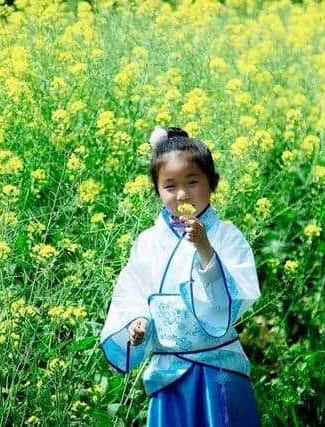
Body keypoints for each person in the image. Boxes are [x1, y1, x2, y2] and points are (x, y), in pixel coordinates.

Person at [99, 125, 262, 426]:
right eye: (170, 186)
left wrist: (204, 247)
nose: (182, 194)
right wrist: (138, 321)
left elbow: (235, 297)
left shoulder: (227, 236)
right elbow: (132, 290)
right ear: (157, 191)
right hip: (168, 370)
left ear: (212, 184)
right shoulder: (148, 241)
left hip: (218, 366)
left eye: (193, 182)